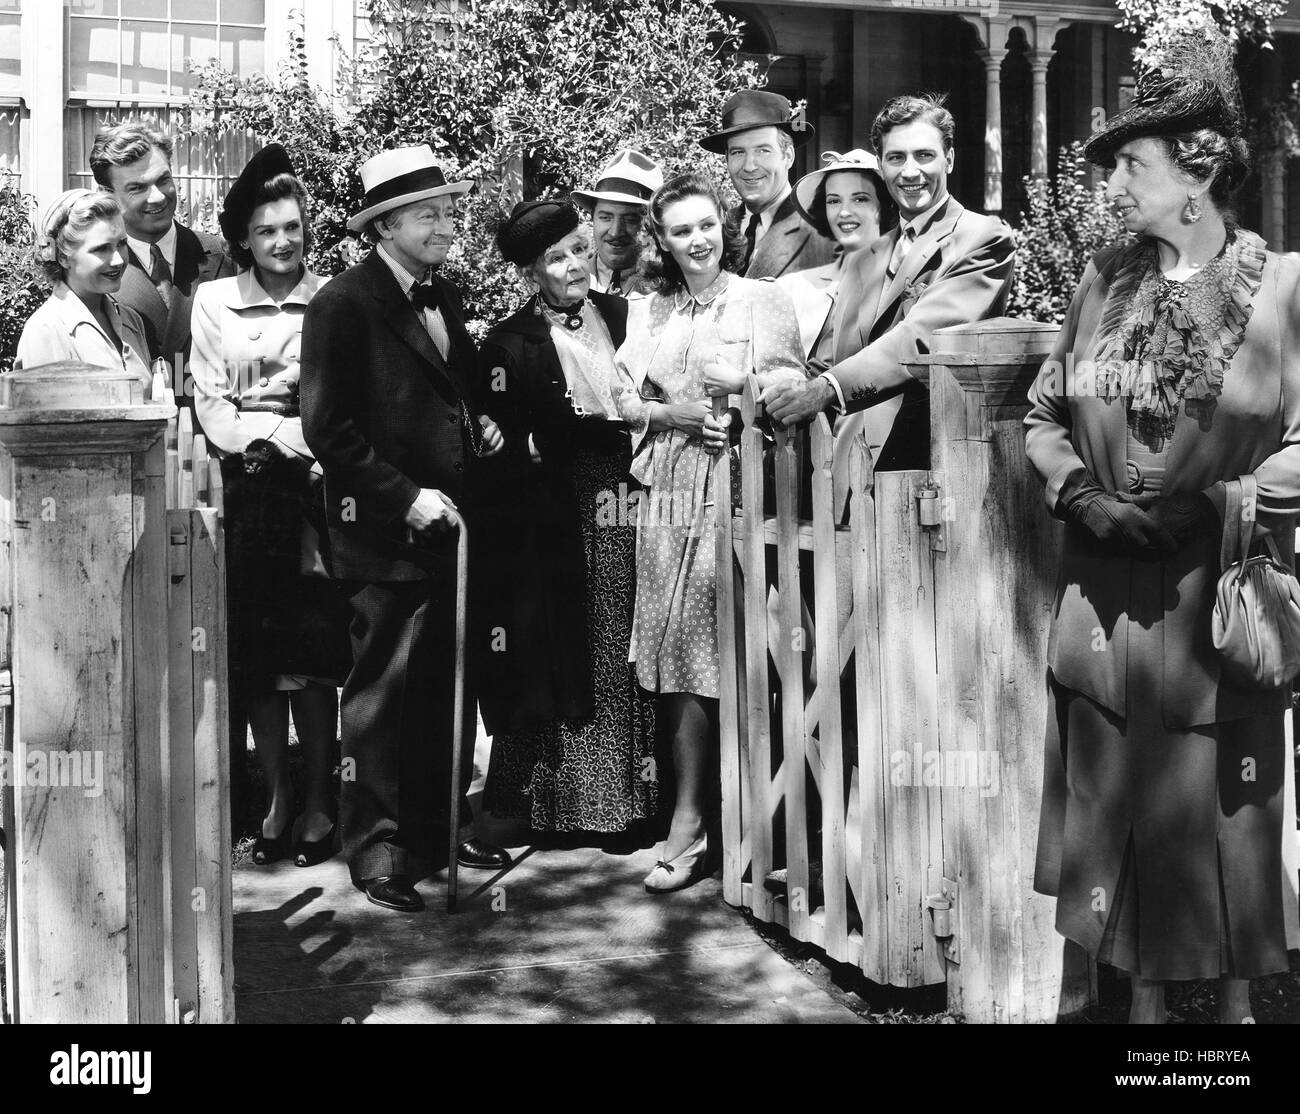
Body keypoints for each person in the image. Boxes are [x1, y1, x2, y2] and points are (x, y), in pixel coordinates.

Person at [1024, 31, 1300, 1024]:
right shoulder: (1103, 280)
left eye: (1132, 165)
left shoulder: (1285, 290)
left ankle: (1232, 1017)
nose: (1115, 186)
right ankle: (1130, 1010)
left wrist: (1219, 502)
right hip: (1104, 605)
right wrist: (1076, 493)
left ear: (1200, 172)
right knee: (1113, 809)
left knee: (1224, 813)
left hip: (1213, 606)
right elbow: (1043, 414)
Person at [300, 145, 510, 913]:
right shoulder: (341, 304)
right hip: (385, 536)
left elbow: (453, 390)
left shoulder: (441, 293)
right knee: (382, 697)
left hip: (451, 531)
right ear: (385, 226)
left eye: (449, 212)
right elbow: (327, 429)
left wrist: (480, 421)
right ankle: (378, 852)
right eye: (430, 215)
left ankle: (436, 827)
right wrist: (403, 497)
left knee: (442, 689)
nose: (448, 226)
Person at [612, 171, 806, 893]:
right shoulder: (652, 309)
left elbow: (791, 391)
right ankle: (693, 821)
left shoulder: (762, 300)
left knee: (721, 655)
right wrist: (676, 414)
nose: (697, 240)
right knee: (672, 654)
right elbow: (622, 398)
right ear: (662, 241)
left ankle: (722, 826)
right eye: (680, 230)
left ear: (724, 226)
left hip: (735, 486)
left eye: (706, 225)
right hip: (666, 490)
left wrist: (743, 399)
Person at [474, 200, 657, 843]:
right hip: (562, 510)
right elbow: (502, 442)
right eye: (557, 259)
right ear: (531, 272)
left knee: (631, 635)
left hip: (635, 493)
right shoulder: (509, 342)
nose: (576, 265)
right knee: (578, 642)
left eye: (580, 248)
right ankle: (578, 808)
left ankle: (637, 802)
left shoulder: (624, 315)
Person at [190, 144, 350, 868]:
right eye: (265, 231)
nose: (282, 242)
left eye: (291, 227)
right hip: (253, 492)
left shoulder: (334, 298)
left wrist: (300, 433)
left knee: (313, 659)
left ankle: (320, 803)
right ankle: (278, 802)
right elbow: (213, 407)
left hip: (318, 494)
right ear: (244, 240)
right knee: (262, 660)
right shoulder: (214, 301)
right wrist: (280, 433)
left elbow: (344, 403)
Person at [763, 94, 1015, 513]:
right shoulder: (867, 257)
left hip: (931, 472)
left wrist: (824, 389)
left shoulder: (982, 238)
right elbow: (831, 357)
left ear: (949, 159)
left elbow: (920, 338)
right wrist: (776, 388)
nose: (910, 171)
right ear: (881, 166)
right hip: (848, 476)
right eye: (896, 157)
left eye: (924, 155)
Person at [90, 122, 234, 397]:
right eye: (137, 188)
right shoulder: (95, 275)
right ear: (107, 195)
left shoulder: (223, 256)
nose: (157, 197)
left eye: (163, 180)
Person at [17, 189, 153, 394]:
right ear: (63, 257)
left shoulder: (131, 321)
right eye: (101, 249)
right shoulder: (46, 330)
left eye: (122, 244)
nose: (118, 260)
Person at [700, 89, 836, 280]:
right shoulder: (714, 229)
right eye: (738, 152)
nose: (749, 166)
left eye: (763, 151)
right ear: (727, 159)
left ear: (788, 156)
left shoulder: (824, 231)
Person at [780, 148, 894, 363]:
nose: (844, 212)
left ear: (883, 204)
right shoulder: (792, 287)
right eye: (834, 201)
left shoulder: (899, 282)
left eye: (860, 199)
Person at [571, 149, 662, 297]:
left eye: (630, 219)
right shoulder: (568, 282)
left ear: (652, 225)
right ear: (592, 218)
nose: (615, 232)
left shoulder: (669, 288)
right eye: (605, 217)